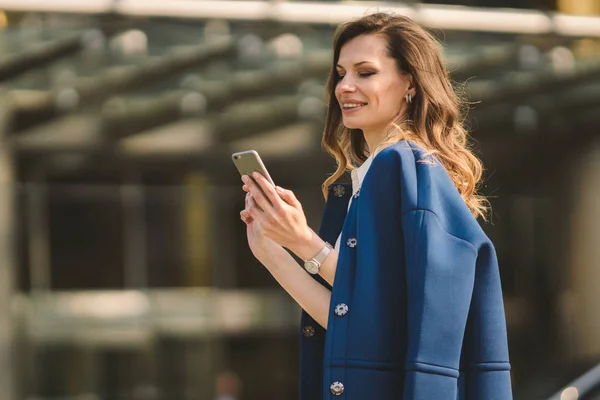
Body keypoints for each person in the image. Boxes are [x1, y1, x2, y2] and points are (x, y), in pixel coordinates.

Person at [239, 12, 512, 400]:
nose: (344, 87)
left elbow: (394, 302)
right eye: (340, 73)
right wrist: (272, 251)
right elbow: (357, 321)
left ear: (410, 84)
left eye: (365, 73)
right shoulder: (364, 179)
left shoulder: (403, 164)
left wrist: (303, 242)